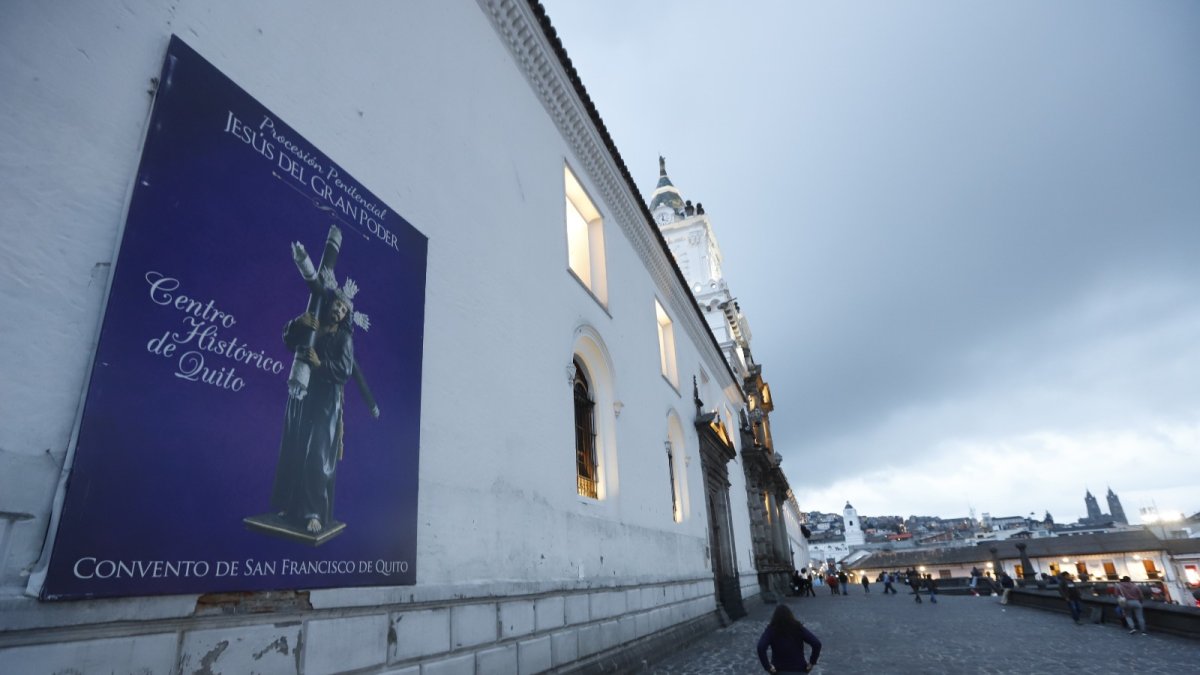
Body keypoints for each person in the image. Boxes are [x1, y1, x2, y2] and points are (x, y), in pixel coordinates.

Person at [271, 290, 357, 534]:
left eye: (343, 310)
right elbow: (289, 341)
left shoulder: (344, 338)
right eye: (338, 306)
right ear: (330, 303)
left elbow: (345, 370)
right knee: (295, 446)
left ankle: (313, 512)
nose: (339, 312)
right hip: (303, 393)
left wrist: (321, 364)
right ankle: (290, 504)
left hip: (326, 401)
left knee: (317, 454)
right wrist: (299, 322)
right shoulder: (314, 321)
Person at [757, 604, 821, 674]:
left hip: (779, 670)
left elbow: (761, 647)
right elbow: (816, 644)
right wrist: (812, 662)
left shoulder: (772, 630)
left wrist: (767, 666)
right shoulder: (798, 628)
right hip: (799, 670)